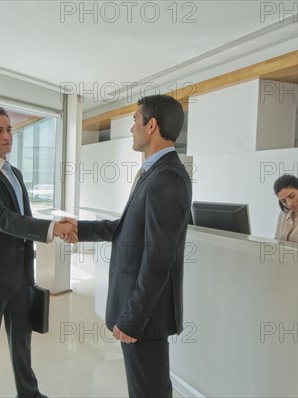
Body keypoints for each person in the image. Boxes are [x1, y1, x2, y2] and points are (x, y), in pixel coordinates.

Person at [61, 95, 192, 397]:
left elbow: (158, 257)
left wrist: (134, 317)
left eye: (135, 120)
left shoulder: (167, 177)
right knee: (149, 389)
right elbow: (128, 229)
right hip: (143, 309)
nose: (132, 128)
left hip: (146, 314)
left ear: (152, 125)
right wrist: (79, 229)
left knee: (149, 391)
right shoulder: (156, 172)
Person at [0, 106, 76, 398]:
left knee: (22, 342)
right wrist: (51, 228)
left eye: (9, 129)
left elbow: (22, 216)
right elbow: (1, 218)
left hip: (21, 274)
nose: (7, 135)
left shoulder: (15, 172)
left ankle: (29, 393)